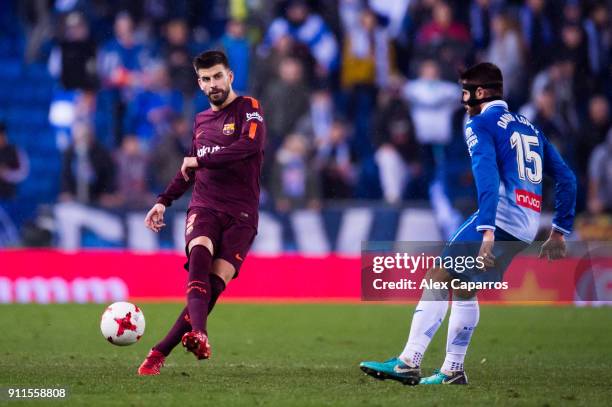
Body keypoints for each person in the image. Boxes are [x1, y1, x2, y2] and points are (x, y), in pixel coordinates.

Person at [360, 62, 576, 385]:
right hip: (526, 225)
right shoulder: (530, 127)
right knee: (463, 285)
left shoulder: (480, 124)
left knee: (438, 274)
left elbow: (487, 179)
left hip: (500, 218)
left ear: (481, 93)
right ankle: (452, 370)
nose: (462, 98)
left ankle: (409, 361)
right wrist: (559, 230)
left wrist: (487, 230)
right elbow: (567, 178)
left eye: (465, 91)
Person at [138, 50, 266, 375]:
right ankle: (200, 335)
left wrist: (201, 161)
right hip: (205, 206)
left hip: (242, 216)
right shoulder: (200, 121)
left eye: (218, 76)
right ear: (199, 83)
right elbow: (188, 168)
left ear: (230, 76)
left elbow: (247, 148)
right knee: (198, 258)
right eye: (206, 79)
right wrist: (163, 201)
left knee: (212, 287)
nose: (213, 84)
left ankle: (159, 351)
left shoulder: (249, 109)